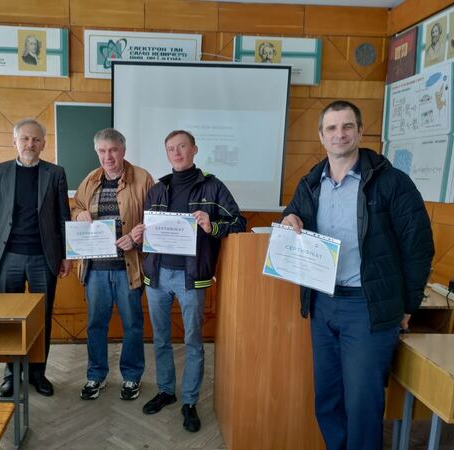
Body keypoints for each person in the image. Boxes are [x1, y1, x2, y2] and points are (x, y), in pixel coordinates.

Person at [281, 100, 434, 450]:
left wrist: (408, 305)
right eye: (332, 128)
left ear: (360, 132)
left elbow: (418, 247)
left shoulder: (392, 182)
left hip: (367, 307)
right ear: (321, 136)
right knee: (328, 400)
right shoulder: (311, 182)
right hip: (322, 304)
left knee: (363, 405)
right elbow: (293, 214)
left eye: (347, 126)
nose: (340, 134)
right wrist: (289, 218)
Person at [134, 130, 246, 432]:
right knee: (160, 339)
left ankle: (189, 401)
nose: (177, 152)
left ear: (194, 149)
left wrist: (212, 226)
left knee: (193, 341)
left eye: (182, 146)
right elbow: (149, 228)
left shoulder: (213, 186)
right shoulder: (159, 188)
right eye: (171, 148)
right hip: (157, 275)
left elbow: (238, 222)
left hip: (191, 277)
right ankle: (166, 391)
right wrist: (140, 234)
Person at [0, 118, 71, 397]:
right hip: (7, 257)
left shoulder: (55, 173)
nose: (30, 144)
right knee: (9, 319)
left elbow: (63, 216)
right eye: (25, 139)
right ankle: (11, 375)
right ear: (15, 142)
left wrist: (66, 255)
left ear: (44, 144)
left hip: (44, 257)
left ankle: (37, 373)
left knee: (42, 318)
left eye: (36, 139)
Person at [72, 128, 154, 401]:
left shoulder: (142, 178)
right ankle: (96, 375)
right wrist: (79, 213)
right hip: (95, 269)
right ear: (97, 152)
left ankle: (131, 376)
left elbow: (155, 217)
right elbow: (75, 207)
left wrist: (136, 236)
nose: (108, 156)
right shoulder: (89, 180)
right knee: (96, 324)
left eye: (113, 150)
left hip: (128, 268)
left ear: (123, 150)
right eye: (102, 151)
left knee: (132, 324)